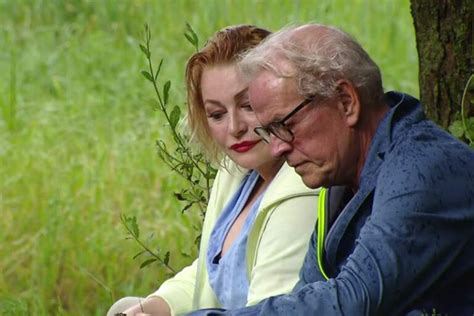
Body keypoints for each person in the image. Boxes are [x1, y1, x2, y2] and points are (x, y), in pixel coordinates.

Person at [188, 23, 474, 315]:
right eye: (269, 131)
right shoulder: (341, 181)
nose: (277, 147)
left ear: (346, 101)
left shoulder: (420, 172)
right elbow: (308, 296)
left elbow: (352, 302)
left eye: (285, 125)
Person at [107, 25, 319, 316]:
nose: (235, 128)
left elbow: (269, 310)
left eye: (248, 105)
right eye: (217, 114)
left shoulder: (301, 190)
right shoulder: (239, 170)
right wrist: (154, 307)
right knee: (124, 308)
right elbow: (211, 273)